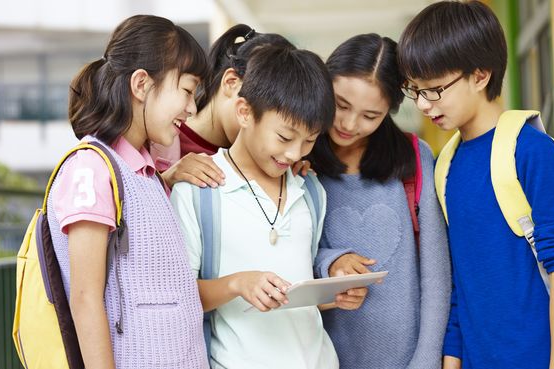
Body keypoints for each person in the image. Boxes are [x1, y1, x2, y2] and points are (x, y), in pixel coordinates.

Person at [397, 2, 554, 369]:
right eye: (416, 90)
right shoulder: (446, 166)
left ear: (480, 75)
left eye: (435, 89)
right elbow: (459, 281)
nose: (425, 105)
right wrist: (452, 360)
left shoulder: (531, 150)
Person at [171, 45, 358, 369]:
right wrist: (237, 283)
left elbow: (298, 293)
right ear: (244, 112)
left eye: (309, 140)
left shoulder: (311, 190)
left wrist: (334, 296)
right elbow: (177, 298)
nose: (293, 154)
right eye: (284, 137)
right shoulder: (199, 190)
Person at [48, 15, 208, 368]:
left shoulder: (145, 172)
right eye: (186, 90)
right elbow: (86, 297)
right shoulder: (91, 168)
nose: (192, 108)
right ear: (141, 84)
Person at [307, 33, 451, 369]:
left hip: (410, 359)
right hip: (324, 358)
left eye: (370, 115)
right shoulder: (297, 158)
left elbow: (436, 274)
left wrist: (427, 361)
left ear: (390, 111)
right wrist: (330, 262)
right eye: (341, 105)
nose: (348, 124)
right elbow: (283, 255)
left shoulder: (414, 159)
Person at [158, 24, 314, 189]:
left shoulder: (271, 157)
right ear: (231, 82)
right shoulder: (160, 135)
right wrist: (166, 180)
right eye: (284, 137)